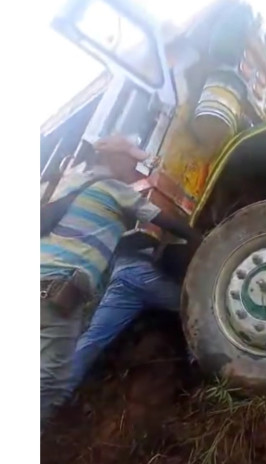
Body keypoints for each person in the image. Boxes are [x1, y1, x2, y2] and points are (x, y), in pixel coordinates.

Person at [40, 135, 197, 430]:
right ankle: (200, 367)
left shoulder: (73, 181)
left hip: (85, 278)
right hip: (60, 289)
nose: (134, 168)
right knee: (49, 382)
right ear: (116, 159)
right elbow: (163, 219)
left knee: (86, 345)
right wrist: (198, 238)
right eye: (131, 161)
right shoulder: (113, 189)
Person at [65, 248, 183, 394]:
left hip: (121, 275)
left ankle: (55, 391)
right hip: (150, 273)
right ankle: (198, 361)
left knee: (94, 338)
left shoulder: (116, 234)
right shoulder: (158, 228)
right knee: (203, 304)